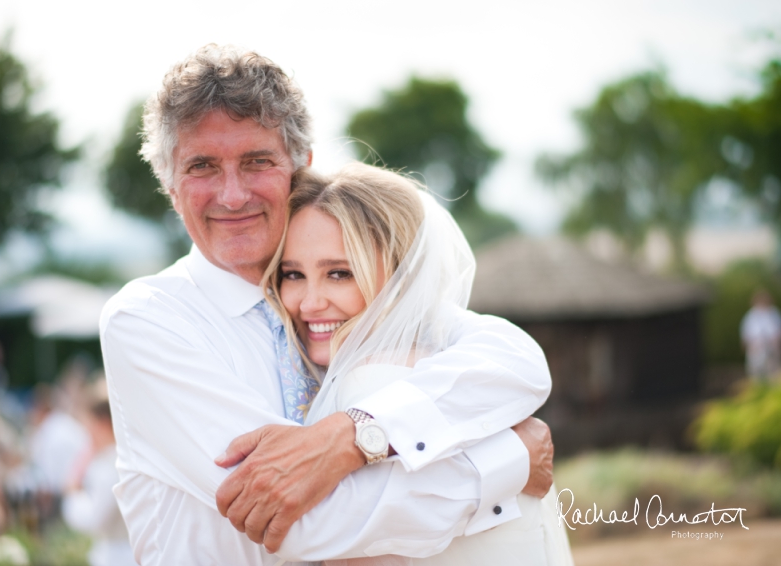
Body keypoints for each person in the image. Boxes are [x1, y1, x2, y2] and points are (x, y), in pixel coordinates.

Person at [100, 43, 554, 565]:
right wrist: (504, 465)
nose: (231, 195)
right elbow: (301, 523)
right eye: (202, 166)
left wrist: (352, 434)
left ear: (300, 167)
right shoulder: (149, 320)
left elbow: (514, 359)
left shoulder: (337, 306)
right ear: (169, 184)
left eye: (256, 162)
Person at [259, 163, 572, 565]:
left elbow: (343, 540)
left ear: (399, 278)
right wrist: (510, 463)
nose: (309, 302)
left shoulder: (369, 384)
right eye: (293, 274)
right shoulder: (449, 365)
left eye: (339, 273)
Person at [62, 382, 136, 566]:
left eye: (89, 423)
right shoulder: (126, 458)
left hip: (119, 556)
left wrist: (72, 494)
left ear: (101, 423)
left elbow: (94, 519)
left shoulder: (109, 466)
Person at [740, 289, 781, 380]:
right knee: (756, 375)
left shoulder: (774, 313)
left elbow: (778, 332)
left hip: (771, 348)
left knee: (773, 375)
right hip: (756, 348)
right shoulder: (750, 315)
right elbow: (745, 334)